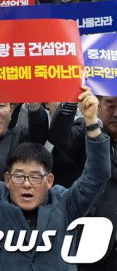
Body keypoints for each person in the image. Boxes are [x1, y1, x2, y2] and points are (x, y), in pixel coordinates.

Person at [0, 80, 111, 269]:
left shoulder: (66, 204)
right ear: (7, 180)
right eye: (19, 176)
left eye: (36, 177)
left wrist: (91, 121)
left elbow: (98, 175)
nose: (27, 184)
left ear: (49, 181)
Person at [47, 95, 117, 268]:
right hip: (89, 241)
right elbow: (60, 138)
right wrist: (71, 102)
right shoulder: (85, 129)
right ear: (97, 105)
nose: (116, 113)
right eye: (110, 105)